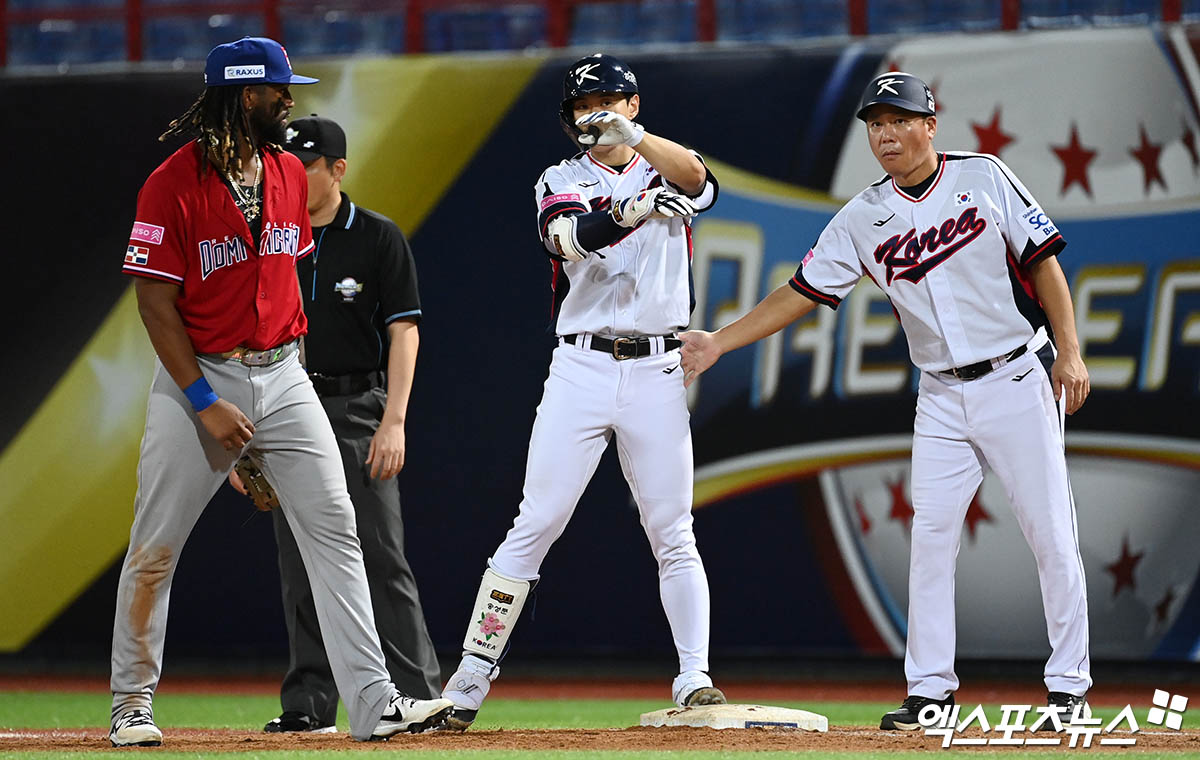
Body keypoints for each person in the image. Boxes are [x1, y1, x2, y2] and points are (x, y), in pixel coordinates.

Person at [680, 72, 1092, 732]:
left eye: (898, 119)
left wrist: (1069, 351)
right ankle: (930, 692)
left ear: (930, 124)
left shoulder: (983, 177)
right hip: (940, 395)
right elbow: (801, 292)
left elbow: (1044, 262)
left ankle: (1069, 690)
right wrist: (720, 344)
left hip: (1016, 376)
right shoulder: (863, 217)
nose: (886, 134)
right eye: (875, 124)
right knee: (929, 542)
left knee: (1050, 534)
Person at [109, 37, 451, 747]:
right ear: (241, 95)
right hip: (199, 378)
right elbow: (154, 304)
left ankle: (375, 703)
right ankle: (131, 703)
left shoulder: (289, 174)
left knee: (336, 535)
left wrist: (271, 413)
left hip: (284, 371)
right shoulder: (172, 182)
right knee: (155, 548)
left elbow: (280, 279)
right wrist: (207, 404)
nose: (289, 99)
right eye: (276, 90)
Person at [437, 53, 725, 730]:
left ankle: (695, 676)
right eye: (582, 106)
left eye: (608, 101)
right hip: (583, 366)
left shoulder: (662, 159)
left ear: (632, 103)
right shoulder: (561, 177)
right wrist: (632, 208)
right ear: (567, 120)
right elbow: (566, 240)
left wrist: (637, 143)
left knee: (673, 528)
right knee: (536, 520)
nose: (594, 113)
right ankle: (469, 680)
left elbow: (700, 181)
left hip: (657, 366)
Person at [237, 115, 442, 733]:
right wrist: (246, 442)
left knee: (381, 554)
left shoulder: (377, 237)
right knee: (299, 557)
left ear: (338, 169)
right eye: (286, 164)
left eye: (306, 165)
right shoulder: (266, 237)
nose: (293, 175)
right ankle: (308, 704)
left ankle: (419, 695)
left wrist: (394, 421)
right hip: (283, 403)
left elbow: (403, 329)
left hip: (356, 408)